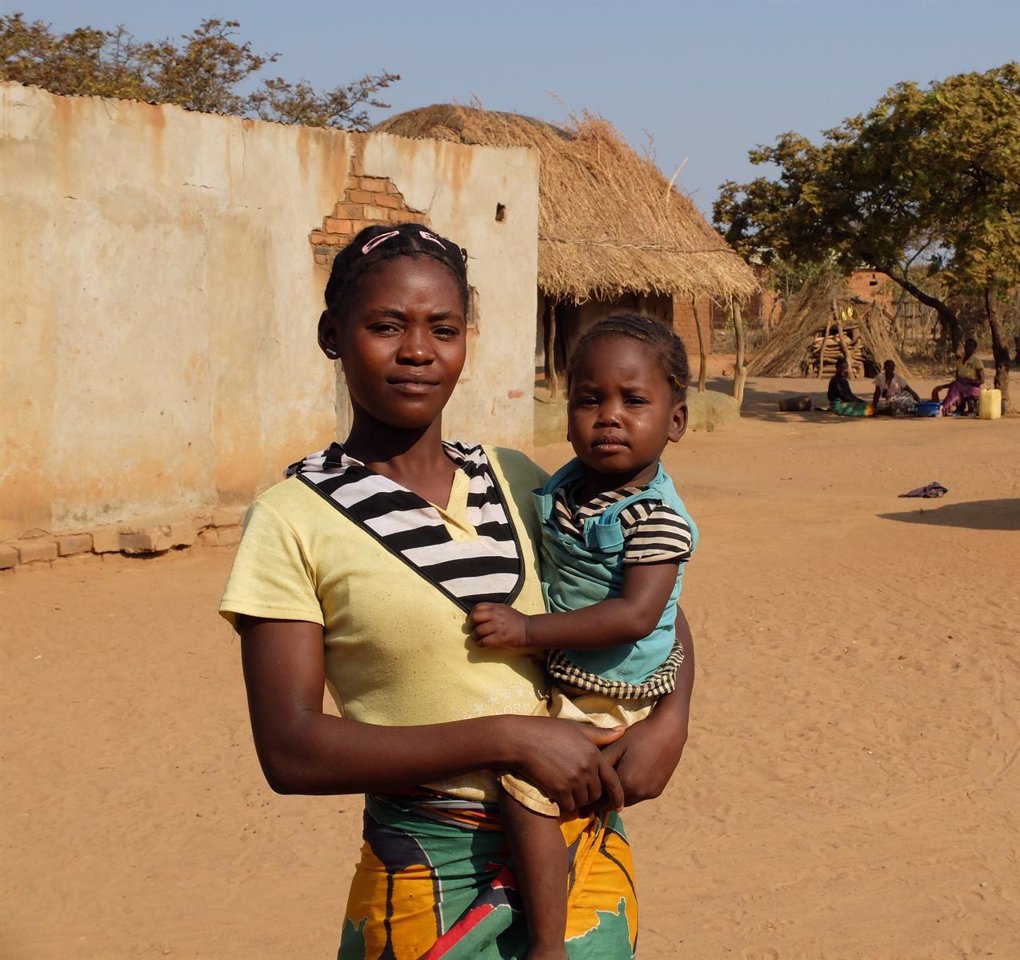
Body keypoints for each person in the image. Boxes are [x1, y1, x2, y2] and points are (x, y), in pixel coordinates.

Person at [219, 223, 693, 960]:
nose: (417, 351)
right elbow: (290, 750)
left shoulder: (520, 479)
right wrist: (508, 737)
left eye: (443, 328)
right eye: (385, 326)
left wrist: (672, 723)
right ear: (332, 335)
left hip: (583, 862)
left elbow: (649, 600)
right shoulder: (293, 520)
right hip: (426, 874)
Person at [469, 314, 695, 960]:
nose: (608, 416)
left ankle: (547, 940)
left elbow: (636, 616)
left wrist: (527, 631)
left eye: (633, 400)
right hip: (572, 666)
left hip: (614, 685)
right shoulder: (566, 487)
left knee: (530, 786)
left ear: (675, 421)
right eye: (589, 399)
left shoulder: (655, 517)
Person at [932, 338, 984, 415]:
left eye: (971, 346)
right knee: (955, 387)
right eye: (967, 346)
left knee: (959, 388)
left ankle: (971, 409)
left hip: (972, 387)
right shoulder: (959, 362)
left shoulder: (976, 361)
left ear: (974, 348)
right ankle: (953, 408)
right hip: (960, 386)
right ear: (964, 346)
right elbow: (957, 381)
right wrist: (942, 387)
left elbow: (982, 380)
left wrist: (968, 381)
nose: (968, 348)